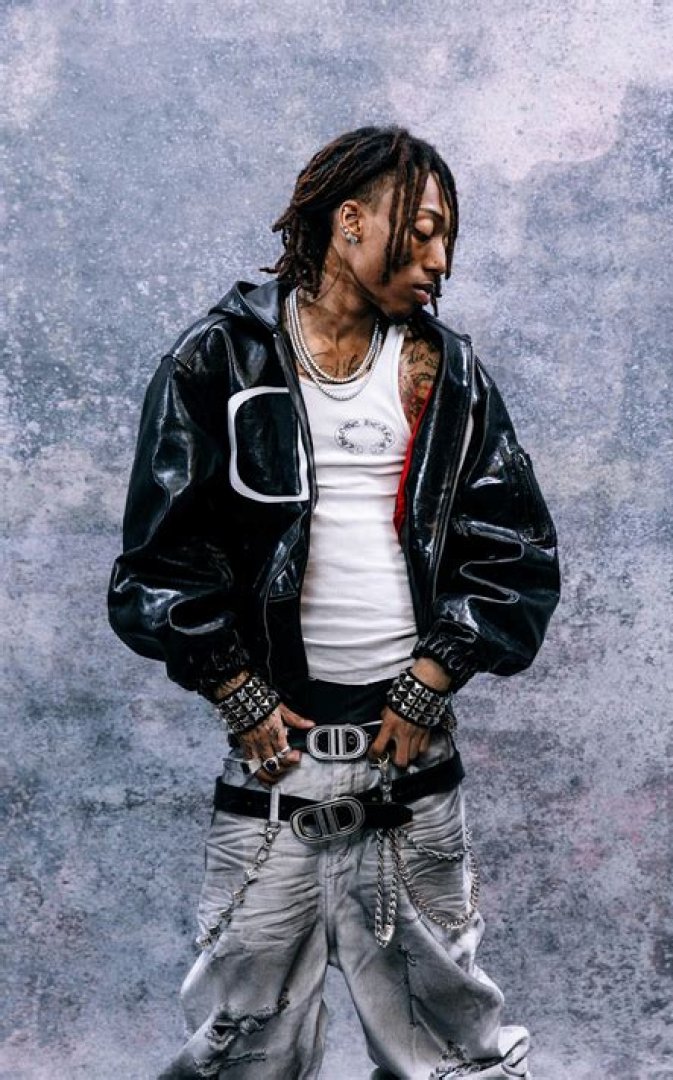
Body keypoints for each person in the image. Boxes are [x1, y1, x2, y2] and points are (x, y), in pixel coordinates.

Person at [108, 126, 560, 1080]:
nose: (441, 260)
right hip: (273, 773)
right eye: (422, 231)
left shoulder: (448, 374)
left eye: (449, 238)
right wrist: (235, 688)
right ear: (350, 222)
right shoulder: (219, 359)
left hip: (410, 774)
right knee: (243, 1052)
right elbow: (158, 561)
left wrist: (433, 677)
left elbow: (516, 553)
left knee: (454, 1055)